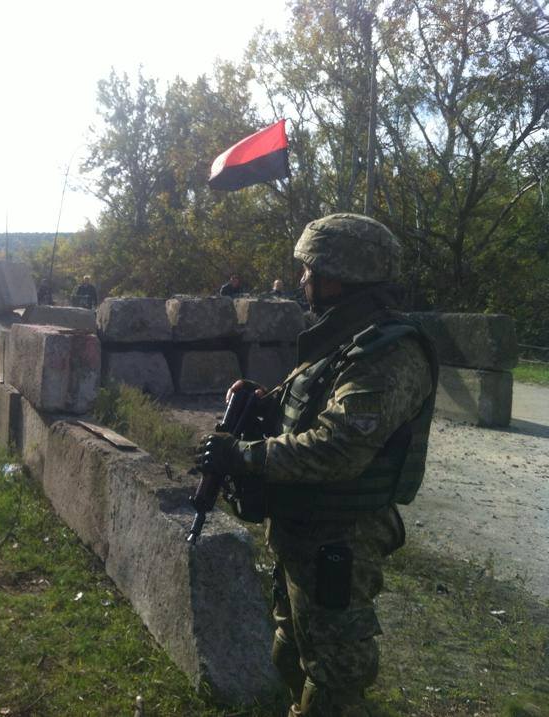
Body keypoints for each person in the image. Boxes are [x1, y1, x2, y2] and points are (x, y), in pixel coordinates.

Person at [196, 214, 438, 716]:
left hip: (339, 539)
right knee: (291, 653)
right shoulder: (342, 338)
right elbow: (311, 412)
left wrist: (242, 456)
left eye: (309, 270)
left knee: (334, 687)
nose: (302, 280)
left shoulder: (389, 353)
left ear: (338, 275)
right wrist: (263, 405)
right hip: (302, 531)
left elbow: (338, 447)